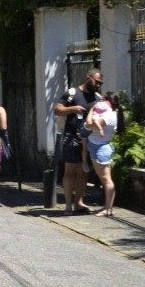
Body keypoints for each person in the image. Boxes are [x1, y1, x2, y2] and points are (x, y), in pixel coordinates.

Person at [55, 68, 103, 214]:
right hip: (71, 138)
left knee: (83, 172)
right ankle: (68, 205)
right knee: (70, 171)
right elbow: (58, 109)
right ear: (88, 77)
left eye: (100, 83)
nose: (98, 85)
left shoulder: (97, 97)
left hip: (88, 139)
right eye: (96, 81)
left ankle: (79, 203)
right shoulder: (73, 93)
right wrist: (73, 109)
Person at [86, 92, 124, 217]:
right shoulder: (109, 113)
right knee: (105, 179)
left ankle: (108, 209)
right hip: (98, 146)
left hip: (100, 148)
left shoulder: (109, 115)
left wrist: (91, 111)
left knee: (106, 179)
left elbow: (89, 125)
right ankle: (108, 207)